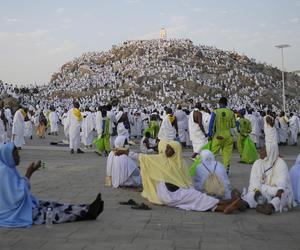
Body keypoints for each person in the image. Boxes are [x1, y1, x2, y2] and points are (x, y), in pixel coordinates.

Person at [0, 142, 104, 228]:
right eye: (15, 155)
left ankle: (88, 208)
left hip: (25, 206)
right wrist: (29, 173)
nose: (18, 157)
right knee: (54, 214)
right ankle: (86, 213)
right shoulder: (5, 172)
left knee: (53, 205)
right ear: (7, 156)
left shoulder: (9, 169)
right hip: (16, 213)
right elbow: (18, 196)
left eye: (17, 154)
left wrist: (31, 172)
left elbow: (19, 189)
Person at [139, 140, 244, 213]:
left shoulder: (182, 163)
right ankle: (228, 202)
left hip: (172, 194)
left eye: (170, 149)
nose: (167, 151)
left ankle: (221, 208)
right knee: (197, 197)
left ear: (176, 151)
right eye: (167, 149)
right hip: (168, 193)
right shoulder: (161, 160)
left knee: (193, 203)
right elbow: (142, 158)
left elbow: (189, 180)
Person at [241, 145, 295, 215]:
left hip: (277, 190)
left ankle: (270, 207)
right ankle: (245, 204)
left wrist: (277, 197)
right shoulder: (257, 163)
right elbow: (254, 181)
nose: (260, 152)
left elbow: (282, 185)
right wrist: (257, 192)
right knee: (252, 194)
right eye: (260, 149)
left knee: (283, 195)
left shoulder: (280, 163)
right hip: (263, 190)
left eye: (263, 150)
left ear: (270, 153)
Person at [208, 97, 236, 174]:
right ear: (226, 104)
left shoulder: (215, 112)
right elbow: (233, 125)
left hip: (218, 136)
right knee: (227, 154)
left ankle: (211, 169)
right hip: (228, 136)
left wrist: (210, 135)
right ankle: (226, 169)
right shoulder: (231, 112)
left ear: (219, 103)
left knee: (213, 153)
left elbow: (211, 125)